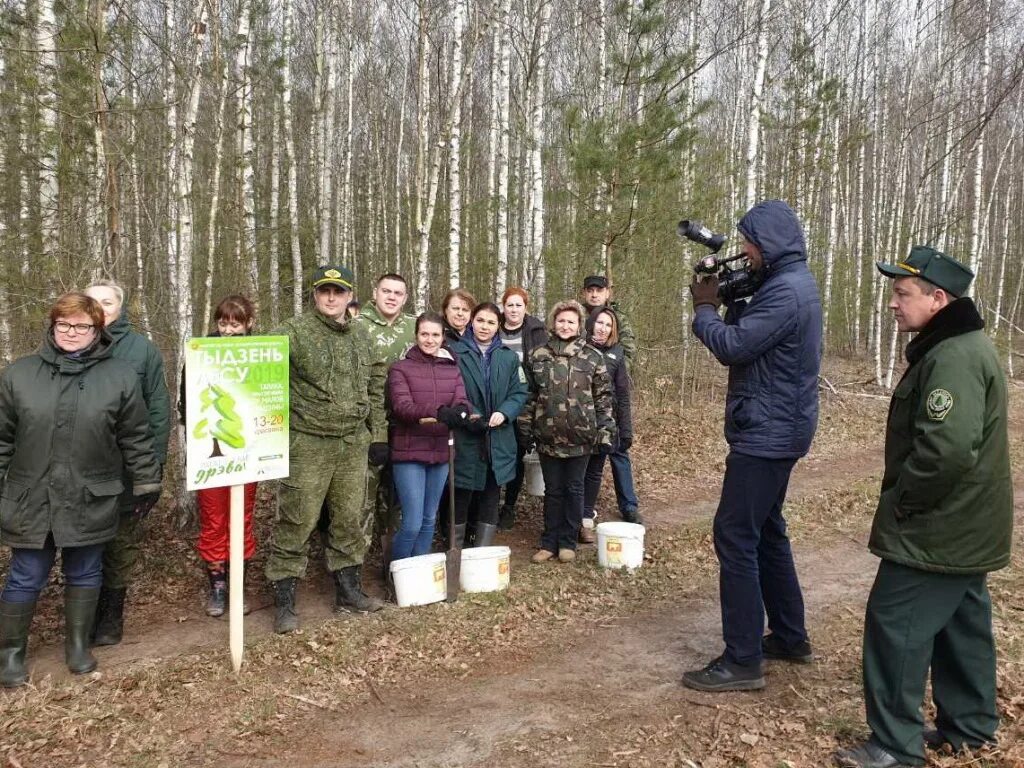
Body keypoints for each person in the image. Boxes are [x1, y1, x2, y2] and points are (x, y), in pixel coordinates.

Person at [834, 247, 1011, 768]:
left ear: (938, 299)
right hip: (968, 525)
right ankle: (971, 727)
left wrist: (905, 503)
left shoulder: (953, 356)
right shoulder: (957, 346)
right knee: (962, 623)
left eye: (902, 294)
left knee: (894, 623)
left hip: (939, 526)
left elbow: (947, 451)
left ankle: (893, 744)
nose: (893, 304)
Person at [681, 199, 822, 692]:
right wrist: (731, 294)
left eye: (747, 244)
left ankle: (742, 661)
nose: (742, 251)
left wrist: (703, 308)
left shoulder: (787, 293)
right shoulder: (789, 284)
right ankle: (788, 635)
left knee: (736, 533)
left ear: (767, 245)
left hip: (767, 433)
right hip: (780, 426)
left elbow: (734, 346)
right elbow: (753, 330)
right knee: (767, 529)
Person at [0, 293, 161, 687]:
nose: (72, 332)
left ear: (97, 331)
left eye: (81, 326)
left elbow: (136, 436)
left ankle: (77, 646)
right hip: (31, 496)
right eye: (63, 324)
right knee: (26, 574)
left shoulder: (119, 376)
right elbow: (2, 439)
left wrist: (147, 481)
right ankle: (10, 655)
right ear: (52, 327)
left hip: (92, 493)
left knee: (85, 570)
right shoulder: (19, 374)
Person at [265, 265, 387, 634]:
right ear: (315, 295)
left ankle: (348, 591)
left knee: (350, 518)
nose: (331, 298)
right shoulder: (293, 332)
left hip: (352, 443)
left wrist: (377, 434)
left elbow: (377, 386)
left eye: (338, 291)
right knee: (297, 519)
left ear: (350, 296)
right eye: (324, 291)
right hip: (308, 442)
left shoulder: (363, 336)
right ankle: (285, 600)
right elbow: (259, 368)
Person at [84, 279, 170, 647]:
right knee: (83, 543)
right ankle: (81, 615)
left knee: (120, 543)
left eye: (108, 302)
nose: (101, 308)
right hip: (81, 466)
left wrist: (153, 469)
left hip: (126, 467)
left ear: (121, 307)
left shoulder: (141, 351)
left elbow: (158, 410)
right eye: (93, 302)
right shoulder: (69, 343)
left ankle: (110, 615)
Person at [177, 295, 259, 617]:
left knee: (243, 518)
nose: (228, 330)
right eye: (223, 322)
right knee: (214, 520)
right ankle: (217, 586)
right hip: (210, 453)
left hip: (248, 452)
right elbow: (186, 404)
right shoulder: (199, 354)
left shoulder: (261, 355)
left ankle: (239, 586)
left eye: (235, 323)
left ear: (248, 323)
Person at [520, 300, 616, 564]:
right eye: (561, 320)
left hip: (581, 437)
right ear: (553, 323)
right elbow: (529, 395)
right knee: (552, 490)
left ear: (579, 325)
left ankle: (568, 541)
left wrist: (606, 431)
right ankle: (549, 541)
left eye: (571, 321)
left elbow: (604, 398)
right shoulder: (538, 355)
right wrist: (525, 428)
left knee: (574, 489)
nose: (565, 325)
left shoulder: (592, 357)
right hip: (547, 436)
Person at [386, 312, 473, 562]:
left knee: (429, 518)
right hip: (410, 451)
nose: (430, 339)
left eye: (435, 335)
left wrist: (461, 411)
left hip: (440, 450)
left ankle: (420, 570)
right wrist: (438, 412)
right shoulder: (401, 368)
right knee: (412, 521)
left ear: (443, 337)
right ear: (416, 336)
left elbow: (462, 400)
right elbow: (402, 406)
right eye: (424, 334)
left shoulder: (452, 369)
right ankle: (399, 571)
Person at [450, 303, 529, 546]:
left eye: (491, 322)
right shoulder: (454, 353)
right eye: (481, 320)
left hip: (498, 434)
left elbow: (520, 391)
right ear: (472, 321)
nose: (485, 326)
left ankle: (481, 549)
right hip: (466, 433)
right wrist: (469, 414)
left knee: (491, 492)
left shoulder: (509, 357)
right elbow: (450, 389)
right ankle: (457, 546)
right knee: (462, 490)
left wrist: (505, 413)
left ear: (498, 327)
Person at [355, 274, 416, 568]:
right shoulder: (357, 327)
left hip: (406, 424)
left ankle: (393, 558)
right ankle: (355, 562)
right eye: (386, 291)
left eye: (398, 293)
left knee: (397, 495)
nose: (392, 297)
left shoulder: (415, 328)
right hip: (365, 426)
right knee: (364, 495)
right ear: (375, 293)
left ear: (405, 298)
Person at [580, 275, 641, 524]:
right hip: (583, 407)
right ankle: (583, 511)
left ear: (607, 292)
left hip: (612, 403)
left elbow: (628, 352)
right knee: (586, 462)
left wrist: (608, 372)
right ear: (585, 293)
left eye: (599, 290)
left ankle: (629, 505)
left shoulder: (619, 319)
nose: (595, 295)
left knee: (619, 453)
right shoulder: (577, 315)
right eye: (590, 290)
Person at [497, 287, 548, 530]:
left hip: (525, 400)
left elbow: (541, 366)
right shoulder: (493, 327)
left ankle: (509, 506)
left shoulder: (536, 331)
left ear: (525, 308)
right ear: (503, 307)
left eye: (519, 305)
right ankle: (489, 503)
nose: (514, 309)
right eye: (510, 305)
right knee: (495, 452)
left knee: (517, 453)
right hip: (496, 398)